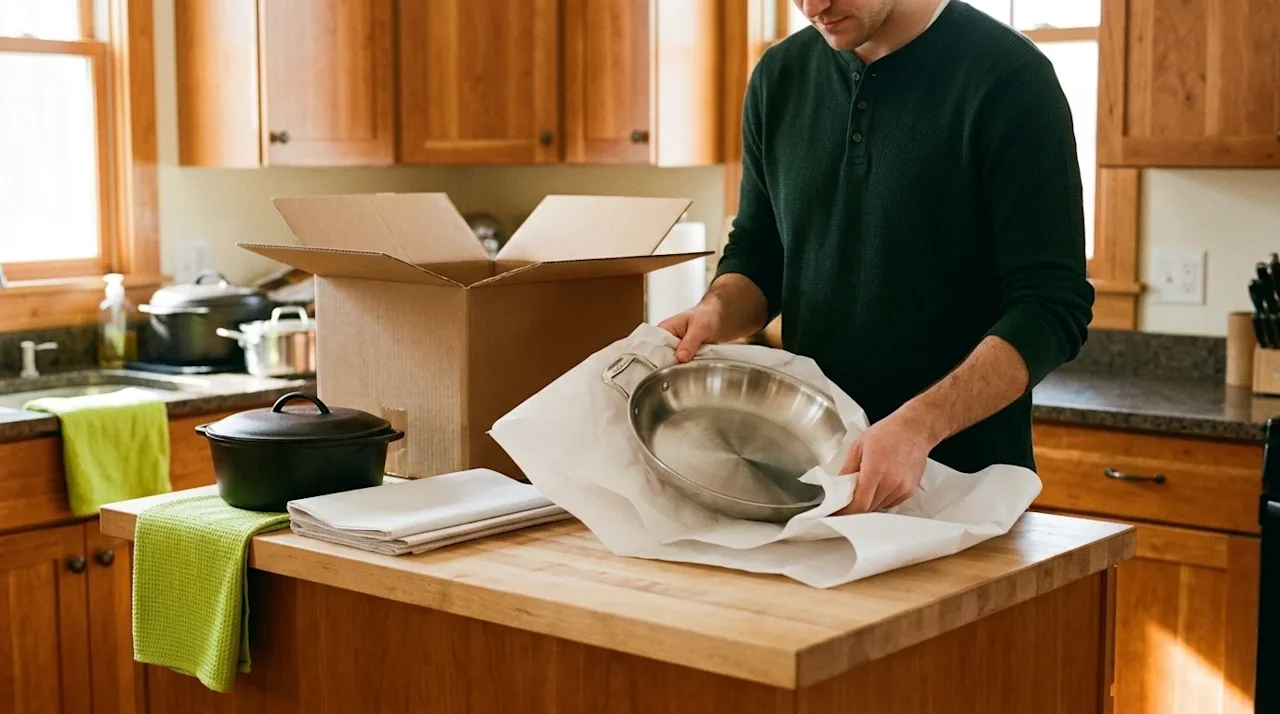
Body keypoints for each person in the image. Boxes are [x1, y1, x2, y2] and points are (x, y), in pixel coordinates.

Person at [659, 0, 1094, 515]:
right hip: (811, 481)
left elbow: (1051, 306)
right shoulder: (779, 76)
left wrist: (918, 425)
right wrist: (714, 312)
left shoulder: (1010, 78)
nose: (813, 6)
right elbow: (759, 255)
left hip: (963, 494)